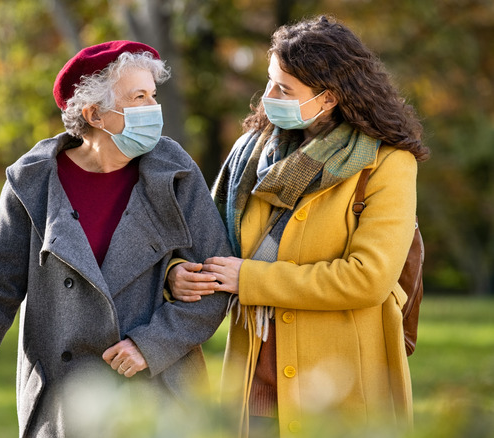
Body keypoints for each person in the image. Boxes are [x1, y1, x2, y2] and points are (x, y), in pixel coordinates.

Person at [0, 40, 232, 437]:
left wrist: (151, 344)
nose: (153, 109)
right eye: (138, 97)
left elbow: (218, 278)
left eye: (152, 96)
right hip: (64, 403)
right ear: (94, 114)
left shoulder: (174, 171)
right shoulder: (32, 182)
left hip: (162, 397)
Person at [168, 16, 430, 437]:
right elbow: (205, 244)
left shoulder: (387, 164)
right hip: (254, 381)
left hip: (340, 387)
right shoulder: (251, 157)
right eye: (270, 81)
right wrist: (177, 275)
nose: (268, 97)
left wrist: (250, 279)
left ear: (327, 98)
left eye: (284, 89)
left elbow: (368, 278)